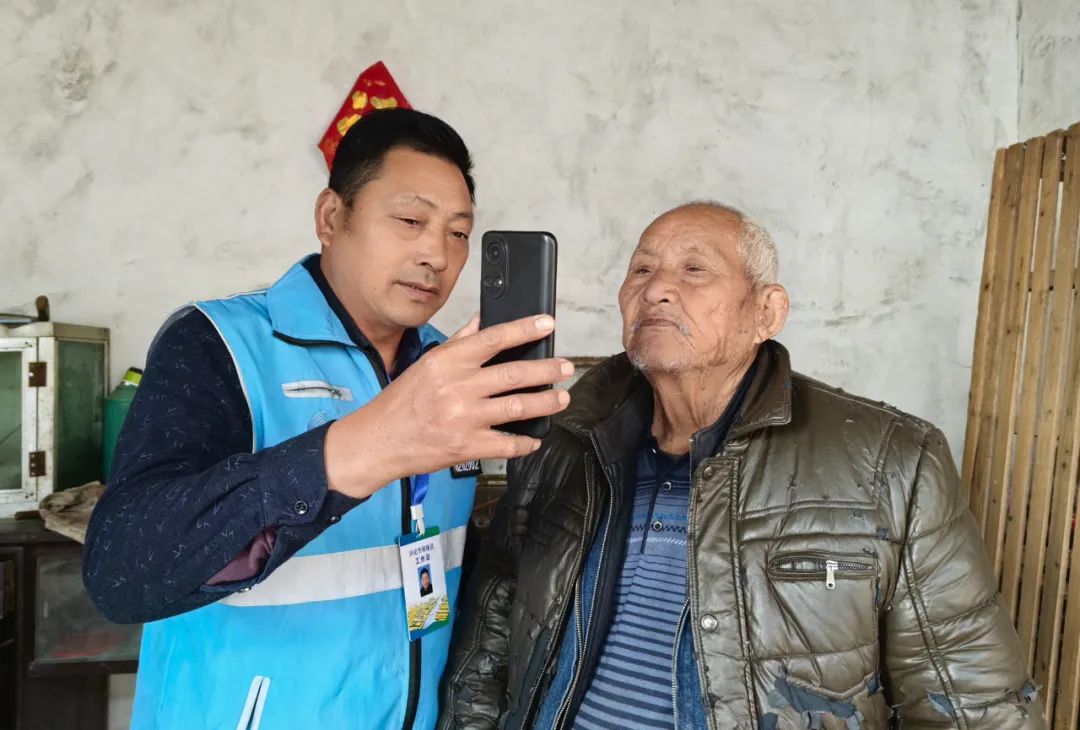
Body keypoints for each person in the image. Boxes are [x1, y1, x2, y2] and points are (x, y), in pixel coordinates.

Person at [441, 202, 1043, 729]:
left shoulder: (890, 461)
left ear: (767, 312)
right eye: (641, 270)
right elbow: (488, 645)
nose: (656, 289)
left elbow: (972, 702)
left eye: (694, 270)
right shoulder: (562, 438)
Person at [83, 108, 573, 730]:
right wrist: (361, 448)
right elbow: (122, 570)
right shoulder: (220, 343)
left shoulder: (449, 370)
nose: (436, 254)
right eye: (410, 220)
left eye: (458, 233)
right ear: (332, 217)